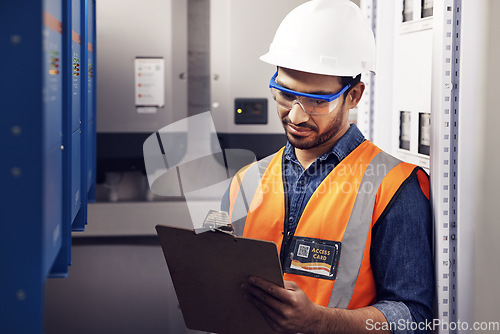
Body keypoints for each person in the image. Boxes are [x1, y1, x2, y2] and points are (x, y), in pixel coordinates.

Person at [221, 0, 433, 333]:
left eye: (318, 101)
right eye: (285, 93)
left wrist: (320, 321)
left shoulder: (394, 186)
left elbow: (415, 317)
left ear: (355, 95)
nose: (295, 115)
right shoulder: (244, 181)